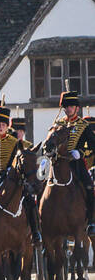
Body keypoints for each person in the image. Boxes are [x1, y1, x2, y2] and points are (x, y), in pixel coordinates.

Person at [0, 106, 43, 246]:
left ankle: (35, 231)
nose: (0, 127)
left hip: (11, 179)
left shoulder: (15, 143)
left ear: (7, 126)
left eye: (3, 125)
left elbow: (20, 162)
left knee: (30, 200)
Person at [51, 90, 95, 232]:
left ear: (77, 108)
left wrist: (81, 152)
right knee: (41, 187)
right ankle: (43, 223)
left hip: (76, 163)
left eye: (71, 106)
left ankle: (91, 222)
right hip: (58, 163)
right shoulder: (58, 124)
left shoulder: (83, 125)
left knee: (89, 187)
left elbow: (93, 147)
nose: (68, 109)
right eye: (66, 106)